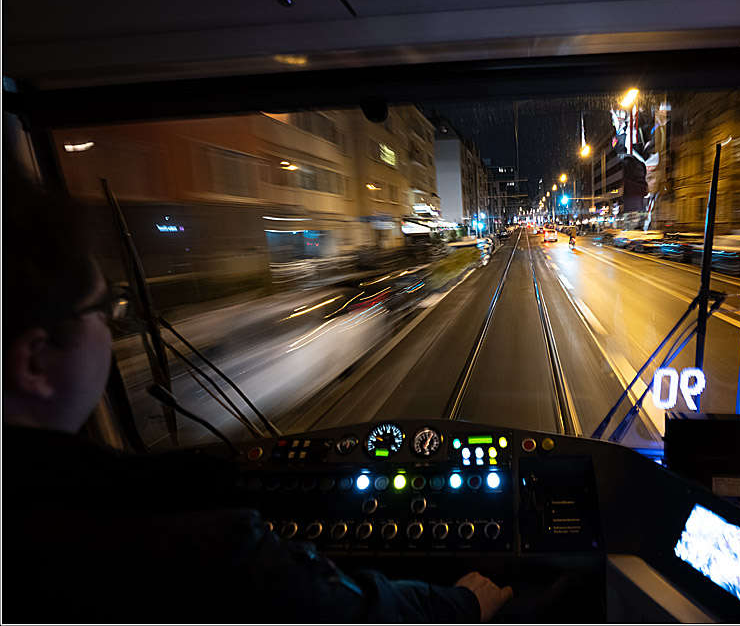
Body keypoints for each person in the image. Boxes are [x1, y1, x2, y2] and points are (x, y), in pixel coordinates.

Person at [2, 172, 513, 623]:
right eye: (106, 309)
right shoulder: (198, 553)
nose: (114, 328)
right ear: (35, 362)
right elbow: (353, 612)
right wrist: (457, 607)